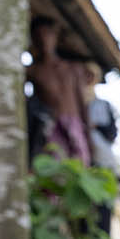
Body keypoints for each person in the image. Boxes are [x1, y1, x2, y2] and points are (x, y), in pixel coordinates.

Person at [28, 16, 90, 162]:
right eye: (38, 36)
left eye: (47, 34)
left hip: (75, 124)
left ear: (55, 37)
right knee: (54, 170)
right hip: (50, 126)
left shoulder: (73, 69)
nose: (43, 40)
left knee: (79, 167)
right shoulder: (33, 71)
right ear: (33, 39)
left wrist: (88, 135)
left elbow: (82, 103)